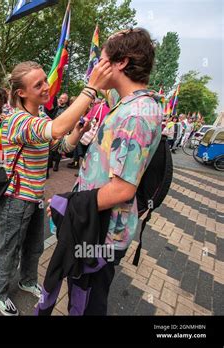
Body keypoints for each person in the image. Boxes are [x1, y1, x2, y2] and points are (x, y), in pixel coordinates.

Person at [47, 27, 163, 315]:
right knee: (81, 298)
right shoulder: (130, 105)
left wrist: (69, 206)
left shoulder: (135, 114)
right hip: (96, 226)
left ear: (120, 62)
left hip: (101, 236)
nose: (96, 66)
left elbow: (123, 189)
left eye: (101, 58)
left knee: (87, 304)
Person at [0, 59, 112, 316]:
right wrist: (90, 89)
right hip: (15, 199)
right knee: (9, 249)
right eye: (39, 84)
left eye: (45, 80)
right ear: (21, 93)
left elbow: (60, 146)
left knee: (34, 246)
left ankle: (26, 280)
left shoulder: (41, 115)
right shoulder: (17, 120)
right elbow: (56, 129)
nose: (47, 87)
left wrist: (78, 132)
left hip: (35, 197)